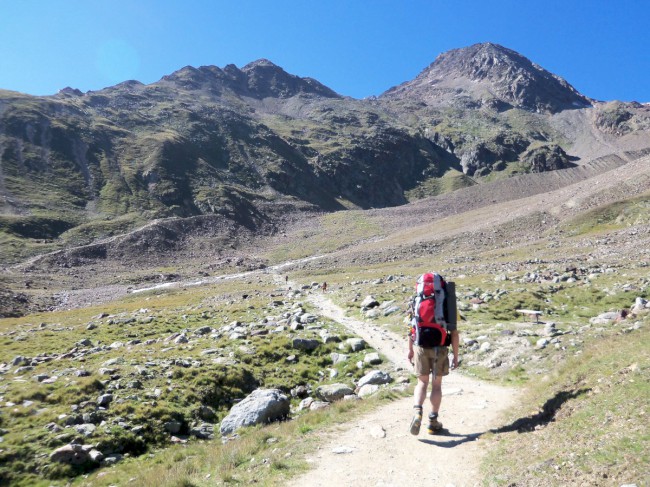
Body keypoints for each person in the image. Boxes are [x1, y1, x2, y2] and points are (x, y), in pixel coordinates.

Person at [407, 276, 460, 435]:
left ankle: (417, 411)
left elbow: (411, 328)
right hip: (441, 347)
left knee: (422, 383)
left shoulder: (417, 300)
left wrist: (410, 350)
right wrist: (455, 356)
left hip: (421, 346)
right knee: (436, 385)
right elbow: (455, 334)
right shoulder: (447, 303)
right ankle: (433, 421)